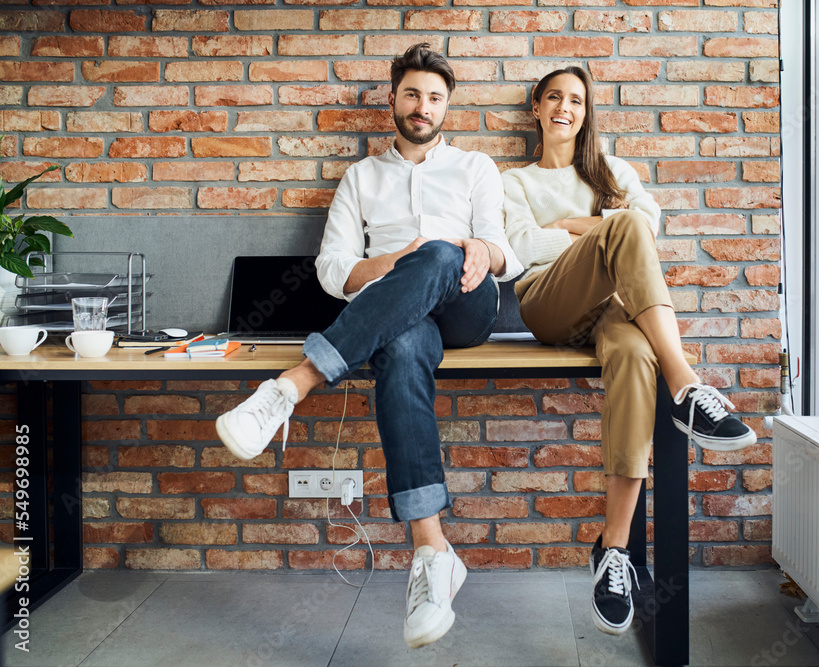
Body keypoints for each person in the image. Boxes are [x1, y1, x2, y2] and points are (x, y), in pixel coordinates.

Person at [215, 43, 523, 649]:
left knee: (439, 250)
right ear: (393, 100)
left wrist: (482, 251)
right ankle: (433, 553)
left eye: (435, 97)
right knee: (402, 347)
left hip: (466, 306)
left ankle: (290, 386)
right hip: (396, 316)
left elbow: (503, 254)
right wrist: (392, 262)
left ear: (446, 107)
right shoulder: (361, 177)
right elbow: (332, 270)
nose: (422, 106)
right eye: (412, 94)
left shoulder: (476, 168)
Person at [502, 66, 757, 636]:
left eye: (577, 100)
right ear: (536, 111)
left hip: (617, 312)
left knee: (636, 355)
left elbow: (649, 224)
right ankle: (687, 385)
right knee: (624, 233)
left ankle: (612, 550)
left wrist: (577, 227)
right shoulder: (512, 182)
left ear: (586, 112)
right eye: (555, 99)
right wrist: (596, 228)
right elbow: (519, 248)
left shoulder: (614, 170)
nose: (566, 108)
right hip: (548, 302)